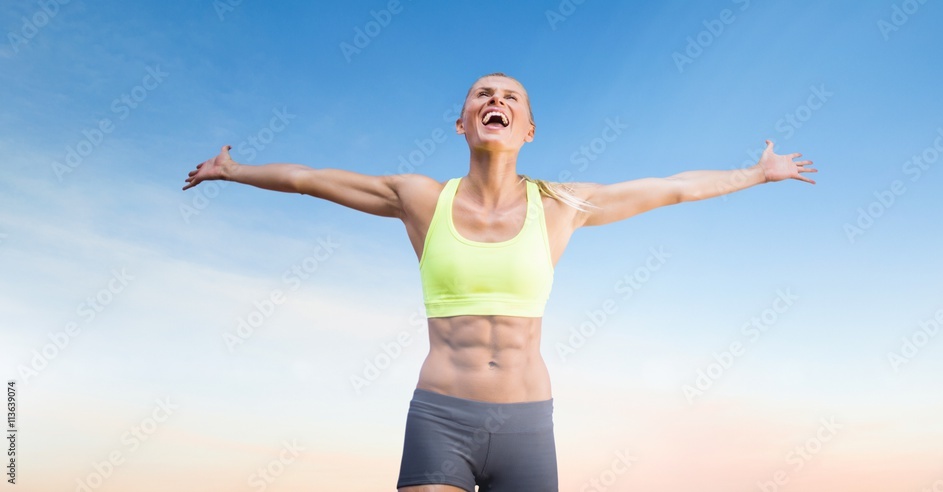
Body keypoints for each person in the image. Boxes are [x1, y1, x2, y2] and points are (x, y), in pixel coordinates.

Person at [183, 72, 817, 491]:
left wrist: (757, 174)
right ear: (461, 123)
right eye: (483, 95)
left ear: (529, 129)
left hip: (527, 425)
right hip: (441, 417)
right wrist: (234, 171)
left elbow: (672, 188)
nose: (497, 101)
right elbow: (309, 178)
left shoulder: (562, 203)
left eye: (512, 98)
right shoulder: (420, 198)